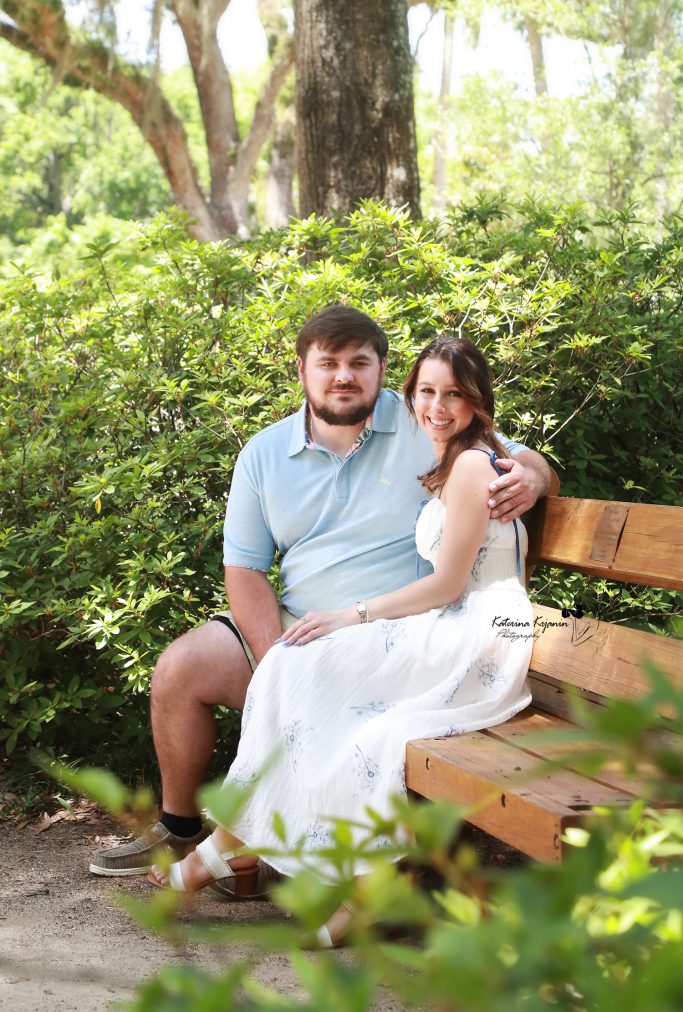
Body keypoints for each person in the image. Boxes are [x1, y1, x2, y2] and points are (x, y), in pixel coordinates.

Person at [90, 306, 555, 881]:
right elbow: (245, 570)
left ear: (383, 369)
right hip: (301, 624)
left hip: (399, 630)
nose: (344, 376)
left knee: (313, 689)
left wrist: (533, 477)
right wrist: (273, 657)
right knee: (180, 668)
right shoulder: (263, 454)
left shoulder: (423, 419)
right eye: (328, 363)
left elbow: (512, 454)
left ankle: (254, 850)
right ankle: (180, 831)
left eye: (360, 362)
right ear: (303, 370)